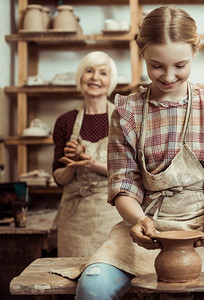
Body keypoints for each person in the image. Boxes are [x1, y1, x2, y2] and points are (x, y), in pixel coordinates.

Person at [60, 6, 204, 300]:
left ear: (194, 52)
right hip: (146, 223)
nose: (168, 76)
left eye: (180, 65)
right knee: (93, 286)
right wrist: (137, 220)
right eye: (156, 65)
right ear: (142, 55)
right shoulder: (127, 112)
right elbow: (123, 184)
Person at [52, 51, 122, 257]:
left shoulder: (121, 118)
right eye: (89, 71)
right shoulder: (65, 121)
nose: (95, 78)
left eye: (103, 73)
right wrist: (71, 166)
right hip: (75, 217)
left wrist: (92, 165)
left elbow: (131, 174)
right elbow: (58, 177)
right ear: (81, 77)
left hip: (112, 213)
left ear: (110, 81)